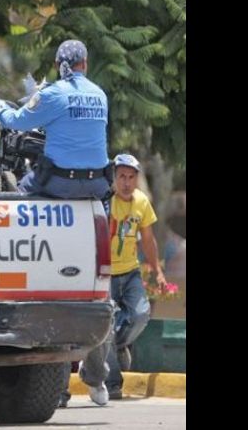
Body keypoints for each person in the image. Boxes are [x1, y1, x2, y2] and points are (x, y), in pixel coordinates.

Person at [0, 39, 113, 407]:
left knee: (12, 201)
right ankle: (96, 379)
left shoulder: (53, 94)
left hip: (59, 183)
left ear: (59, 64)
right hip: (96, 186)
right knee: (101, 294)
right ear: (85, 64)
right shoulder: (100, 94)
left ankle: (7, 258)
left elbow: (16, 120)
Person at [104, 153, 166, 399]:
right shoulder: (104, 202)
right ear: (114, 178)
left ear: (137, 179)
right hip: (105, 274)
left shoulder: (141, 202)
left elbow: (148, 241)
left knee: (141, 314)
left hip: (129, 271)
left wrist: (157, 271)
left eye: (131, 177)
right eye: (122, 177)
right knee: (105, 326)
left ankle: (119, 345)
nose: (127, 182)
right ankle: (112, 383)